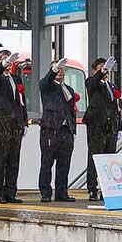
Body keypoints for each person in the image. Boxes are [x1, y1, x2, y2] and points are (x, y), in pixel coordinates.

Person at [0, 50, 28, 204]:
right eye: (5, 61)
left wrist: (24, 121)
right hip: (1, 122)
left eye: (10, 62)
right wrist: (3, 65)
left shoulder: (16, 79)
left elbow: (22, 102)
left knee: (14, 159)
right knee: (1, 158)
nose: (9, 65)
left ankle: (11, 192)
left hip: (16, 123)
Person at [38, 58, 77, 202]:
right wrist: (53, 70)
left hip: (66, 130)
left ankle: (61, 193)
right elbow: (47, 80)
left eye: (62, 69)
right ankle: (45, 192)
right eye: (57, 69)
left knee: (64, 163)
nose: (60, 71)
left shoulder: (69, 89)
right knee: (47, 162)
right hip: (50, 129)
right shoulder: (46, 85)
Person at [84, 56, 122, 201]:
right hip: (96, 126)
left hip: (110, 126)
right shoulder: (92, 83)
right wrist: (101, 71)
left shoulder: (111, 86)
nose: (106, 71)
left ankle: (108, 188)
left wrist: (119, 127)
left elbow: (116, 109)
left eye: (107, 69)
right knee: (95, 157)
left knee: (109, 159)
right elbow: (92, 82)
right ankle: (92, 189)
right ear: (95, 70)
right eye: (102, 68)